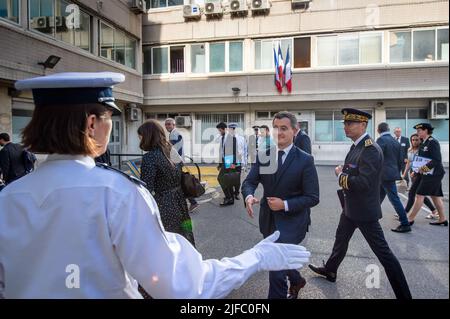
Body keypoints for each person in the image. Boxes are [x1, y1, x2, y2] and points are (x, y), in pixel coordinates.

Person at [0, 72, 311, 299]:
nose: (111, 125)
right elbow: (182, 286)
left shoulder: (8, 197)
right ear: (91, 123)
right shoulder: (117, 193)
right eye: (109, 115)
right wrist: (254, 258)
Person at [309, 108, 412, 300]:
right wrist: (345, 173)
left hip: (364, 212)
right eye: (345, 124)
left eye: (350, 123)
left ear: (363, 125)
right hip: (350, 207)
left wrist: (340, 175)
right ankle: (330, 270)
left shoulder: (370, 149)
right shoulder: (356, 146)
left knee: (385, 255)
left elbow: (363, 184)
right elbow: (354, 172)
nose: (346, 127)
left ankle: (404, 295)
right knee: (340, 239)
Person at [242, 111, 320, 299]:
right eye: (275, 128)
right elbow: (249, 181)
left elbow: (313, 197)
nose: (279, 132)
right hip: (269, 220)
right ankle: (296, 279)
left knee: (275, 268)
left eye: (283, 128)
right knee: (281, 259)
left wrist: (284, 204)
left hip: (292, 222)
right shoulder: (264, 155)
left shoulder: (305, 160)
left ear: (295, 130)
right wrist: (249, 196)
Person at [139, 120, 195, 246]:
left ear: (148, 137)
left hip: (163, 204)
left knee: (168, 241)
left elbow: (146, 188)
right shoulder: (171, 151)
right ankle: (190, 262)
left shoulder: (149, 157)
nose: (140, 140)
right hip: (180, 201)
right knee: (184, 235)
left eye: (141, 137)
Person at [407, 123, 447, 226]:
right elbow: (421, 160)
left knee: (420, 195)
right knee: (435, 196)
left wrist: (423, 168)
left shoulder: (432, 142)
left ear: (426, 131)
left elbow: (436, 160)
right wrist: (415, 171)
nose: (417, 132)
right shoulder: (424, 143)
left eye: (419, 130)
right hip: (426, 173)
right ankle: (442, 219)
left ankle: (410, 219)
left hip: (434, 174)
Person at [376, 123, 411, 233]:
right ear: (389, 130)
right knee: (379, 196)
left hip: (384, 175)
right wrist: (397, 172)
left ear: (378, 130)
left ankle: (405, 223)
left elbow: (377, 157)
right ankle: (372, 216)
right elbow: (401, 160)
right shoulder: (396, 141)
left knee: (394, 199)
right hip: (391, 173)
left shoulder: (381, 140)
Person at [164, 117, 199, 213]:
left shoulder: (174, 134)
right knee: (179, 183)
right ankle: (190, 202)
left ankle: (192, 202)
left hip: (176, 162)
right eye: (166, 124)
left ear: (174, 125)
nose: (167, 126)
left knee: (179, 183)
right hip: (177, 162)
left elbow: (171, 149)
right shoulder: (173, 133)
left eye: (169, 124)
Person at [402, 133, 438, 219]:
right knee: (419, 194)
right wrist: (404, 173)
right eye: (413, 140)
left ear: (420, 140)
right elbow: (409, 163)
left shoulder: (422, 150)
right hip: (413, 173)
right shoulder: (410, 150)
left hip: (421, 173)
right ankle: (434, 211)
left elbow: (425, 162)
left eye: (416, 140)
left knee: (413, 193)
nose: (414, 141)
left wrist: (416, 171)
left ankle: (404, 212)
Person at [228, 122, 246, 200]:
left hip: (238, 161)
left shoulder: (241, 139)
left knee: (237, 179)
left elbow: (245, 151)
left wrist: (244, 162)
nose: (233, 130)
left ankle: (236, 193)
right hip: (229, 161)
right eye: (231, 128)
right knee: (230, 178)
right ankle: (231, 193)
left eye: (234, 128)